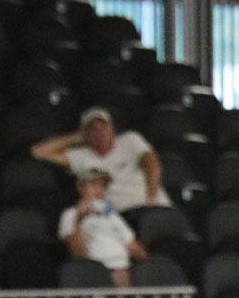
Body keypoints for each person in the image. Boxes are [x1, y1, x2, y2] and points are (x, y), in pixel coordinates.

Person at [32, 107, 170, 220]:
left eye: (104, 126)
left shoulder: (130, 140)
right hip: (123, 216)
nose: (100, 132)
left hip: (155, 206)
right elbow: (38, 152)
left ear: (112, 129)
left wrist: (151, 197)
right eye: (93, 129)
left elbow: (151, 162)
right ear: (85, 134)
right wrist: (75, 138)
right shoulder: (82, 155)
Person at [58, 167, 148, 286]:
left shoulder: (112, 215)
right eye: (94, 185)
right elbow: (77, 253)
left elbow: (136, 249)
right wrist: (79, 219)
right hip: (96, 273)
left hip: (125, 270)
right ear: (81, 188)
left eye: (102, 186)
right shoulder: (70, 215)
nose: (99, 190)